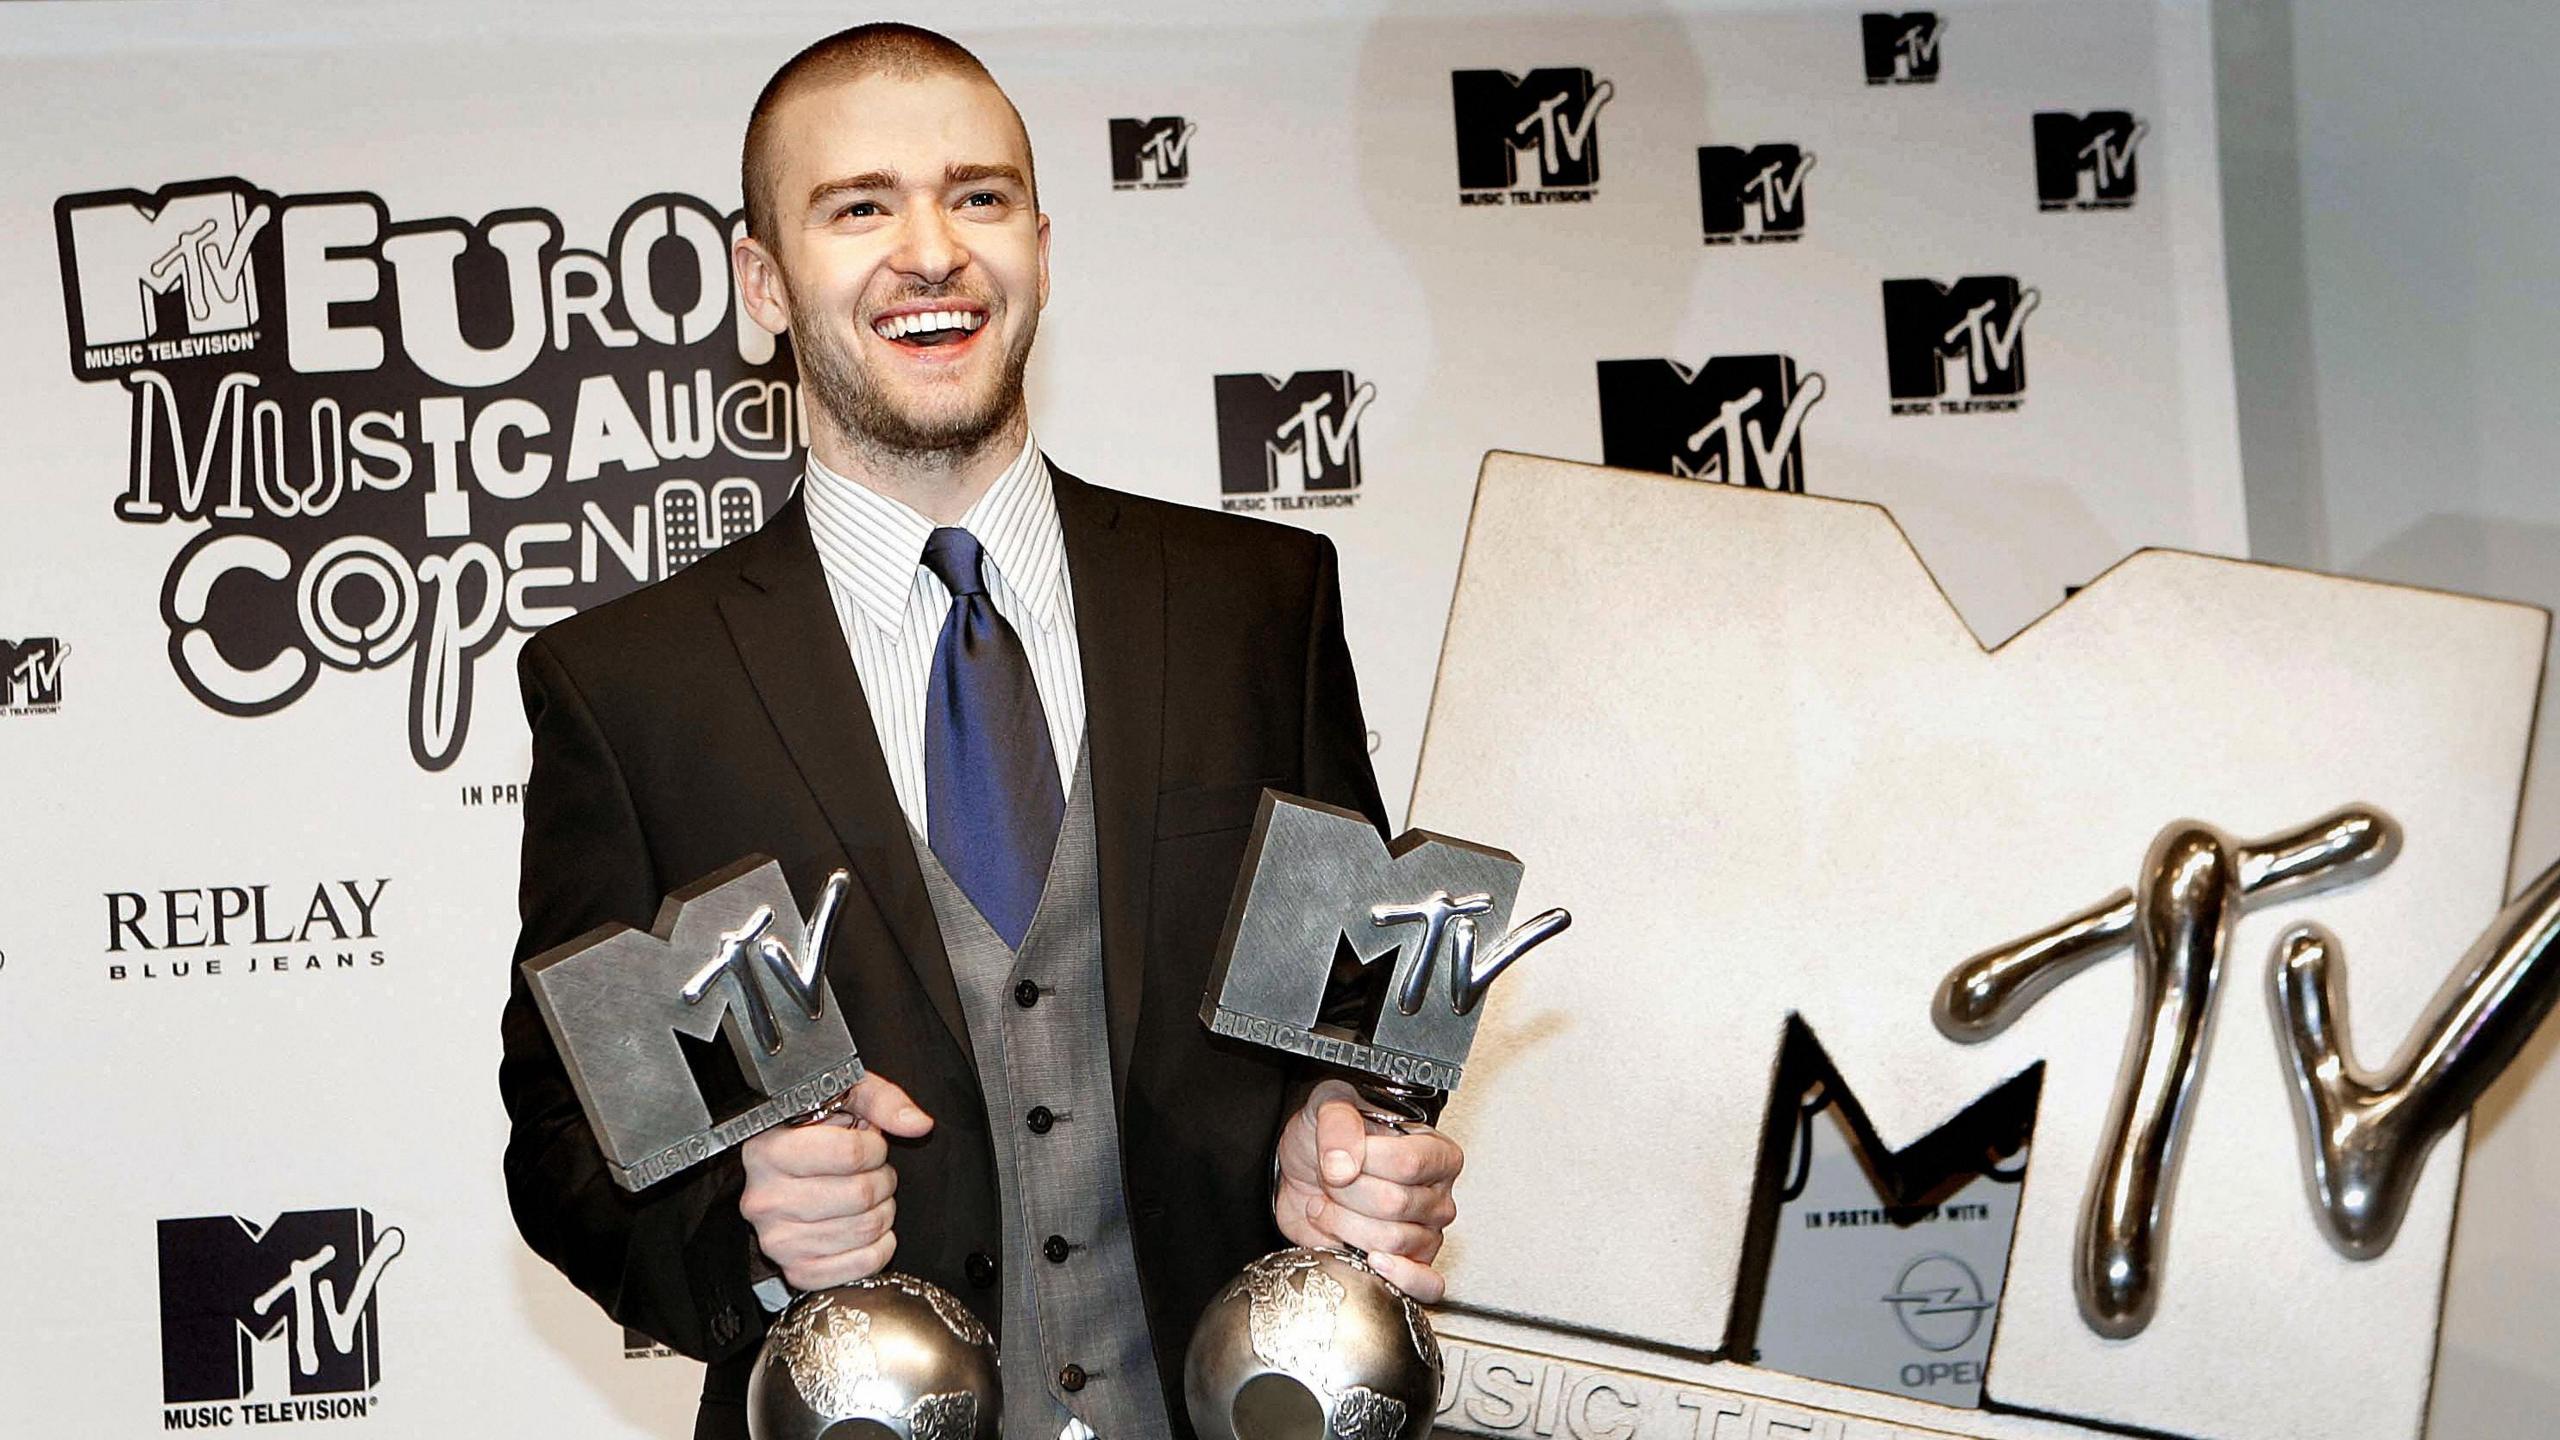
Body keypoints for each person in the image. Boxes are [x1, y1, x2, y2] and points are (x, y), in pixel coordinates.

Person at [498, 22, 1463, 1440]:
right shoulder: (631, 684)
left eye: (980, 196)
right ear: (763, 281)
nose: (933, 251)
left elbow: (1355, 1012)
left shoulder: (1256, 600)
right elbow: (566, 1148)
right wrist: (751, 1231)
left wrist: (1348, 1135)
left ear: (1042, 249)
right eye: (859, 208)